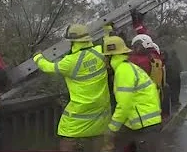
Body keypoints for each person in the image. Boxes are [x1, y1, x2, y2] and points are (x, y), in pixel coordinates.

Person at [33, 24, 111, 152]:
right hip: (102, 110)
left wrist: (38, 57)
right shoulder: (100, 52)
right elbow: (110, 43)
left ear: (72, 42)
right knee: (98, 135)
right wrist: (108, 30)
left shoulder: (70, 62)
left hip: (81, 110)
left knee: (66, 134)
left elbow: (48, 67)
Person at [100, 35, 162, 152]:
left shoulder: (123, 71)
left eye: (105, 58)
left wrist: (112, 128)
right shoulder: (129, 67)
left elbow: (124, 105)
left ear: (109, 57)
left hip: (144, 125)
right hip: (144, 123)